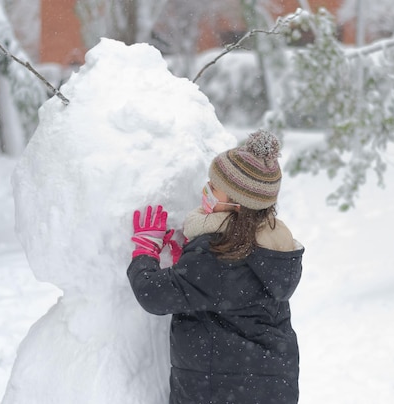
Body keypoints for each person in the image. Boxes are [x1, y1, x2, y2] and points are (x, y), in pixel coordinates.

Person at [127, 129, 304, 404]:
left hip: (220, 393)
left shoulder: (218, 256)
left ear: (237, 204)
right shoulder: (271, 247)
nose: (205, 190)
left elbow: (153, 294)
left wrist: (145, 252)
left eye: (214, 186)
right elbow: (221, 290)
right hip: (268, 389)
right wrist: (187, 264)